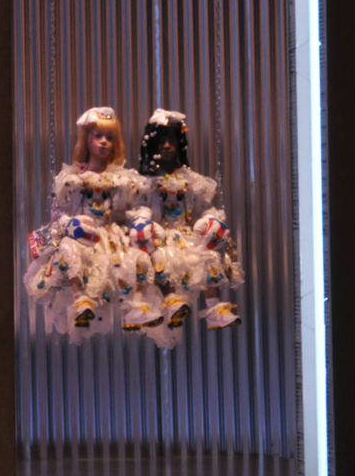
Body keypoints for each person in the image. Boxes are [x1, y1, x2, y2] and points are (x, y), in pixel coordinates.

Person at [124, 108, 242, 347]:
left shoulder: (193, 181)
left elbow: (204, 207)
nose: (167, 145)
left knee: (207, 255)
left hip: (188, 235)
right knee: (161, 257)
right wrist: (143, 221)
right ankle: (171, 300)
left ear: (180, 143)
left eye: (172, 140)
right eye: (162, 141)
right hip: (160, 236)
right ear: (153, 145)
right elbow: (140, 207)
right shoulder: (145, 183)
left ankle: (214, 308)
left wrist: (212, 221)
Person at [23, 106, 142, 339]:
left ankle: (135, 308)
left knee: (135, 260)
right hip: (78, 234)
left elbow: (128, 211)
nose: (104, 142)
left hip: (109, 236)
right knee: (69, 250)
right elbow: (57, 211)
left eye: (110, 137)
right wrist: (68, 224)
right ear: (87, 138)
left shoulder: (122, 179)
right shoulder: (71, 178)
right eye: (98, 136)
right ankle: (80, 300)